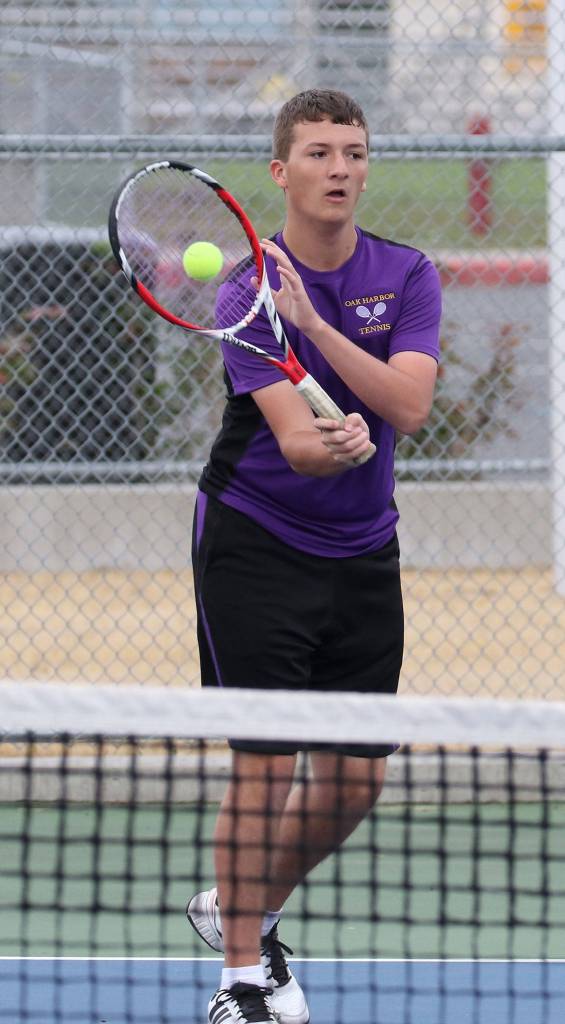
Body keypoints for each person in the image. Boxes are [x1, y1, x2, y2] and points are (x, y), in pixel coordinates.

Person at [188, 89, 441, 1024]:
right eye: (322, 152)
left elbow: (408, 409)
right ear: (281, 172)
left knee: (354, 780)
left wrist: (321, 329)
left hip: (365, 550)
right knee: (266, 763)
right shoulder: (242, 291)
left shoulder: (407, 273)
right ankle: (242, 982)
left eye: (356, 152)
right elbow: (296, 440)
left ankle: (235, 909)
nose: (341, 168)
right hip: (256, 543)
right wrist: (329, 436)